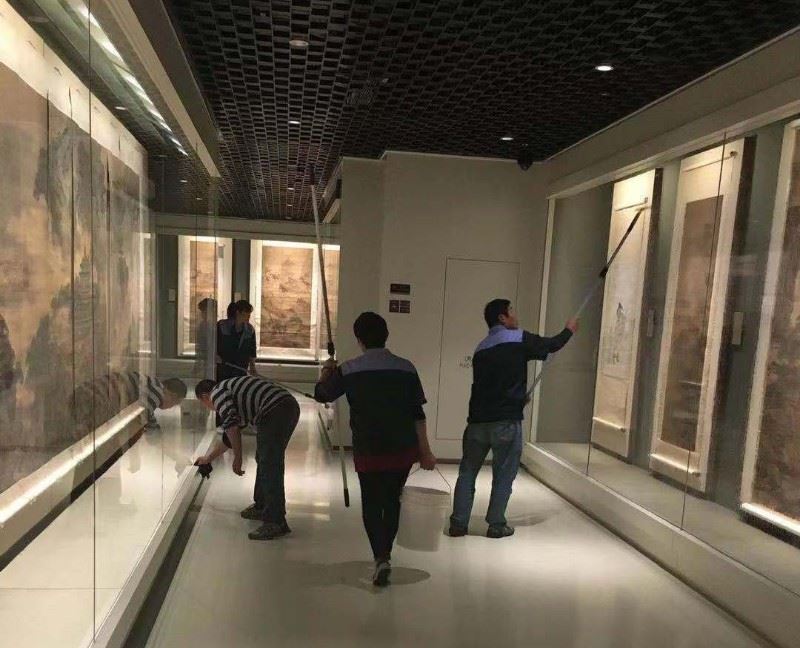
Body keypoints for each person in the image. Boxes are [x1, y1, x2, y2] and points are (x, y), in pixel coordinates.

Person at [314, 312, 436, 587]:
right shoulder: (406, 368)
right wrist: (425, 451)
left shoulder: (349, 369)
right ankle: (385, 555)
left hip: (368, 448)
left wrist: (326, 372)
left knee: (371, 501)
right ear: (386, 335)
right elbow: (418, 414)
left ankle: (380, 557)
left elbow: (322, 394)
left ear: (359, 339)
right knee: (392, 500)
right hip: (402, 449)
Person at [448, 299, 578, 539]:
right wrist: (568, 330)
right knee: (503, 474)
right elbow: (552, 345)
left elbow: (490, 385)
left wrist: (517, 397)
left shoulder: (481, 348)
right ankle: (496, 525)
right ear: (502, 317)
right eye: (511, 311)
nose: (515, 315)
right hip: (505, 422)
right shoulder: (518, 338)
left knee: (467, 472)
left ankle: (458, 523)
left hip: (477, 422)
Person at [194, 374, 300, 541]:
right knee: (265, 459)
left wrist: (238, 458)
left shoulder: (217, 393)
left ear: (205, 396)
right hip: (283, 407)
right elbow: (229, 438)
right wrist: (208, 458)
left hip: (276, 409)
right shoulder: (233, 395)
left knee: (270, 463)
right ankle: (262, 506)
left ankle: (275, 521)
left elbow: (232, 427)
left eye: (204, 404)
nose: (210, 408)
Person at [216, 299, 257, 381]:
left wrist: (252, 366)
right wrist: (215, 356)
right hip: (223, 368)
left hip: (241, 369)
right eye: (246, 313)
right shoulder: (222, 326)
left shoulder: (250, 330)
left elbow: (252, 350)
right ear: (238, 312)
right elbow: (213, 343)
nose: (248, 316)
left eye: (249, 313)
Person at [195, 297, 218, 379]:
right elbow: (201, 344)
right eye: (202, 312)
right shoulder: (203, 325)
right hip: (208, 357)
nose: (202, 314)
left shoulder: (215, 325)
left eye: (204, 312)